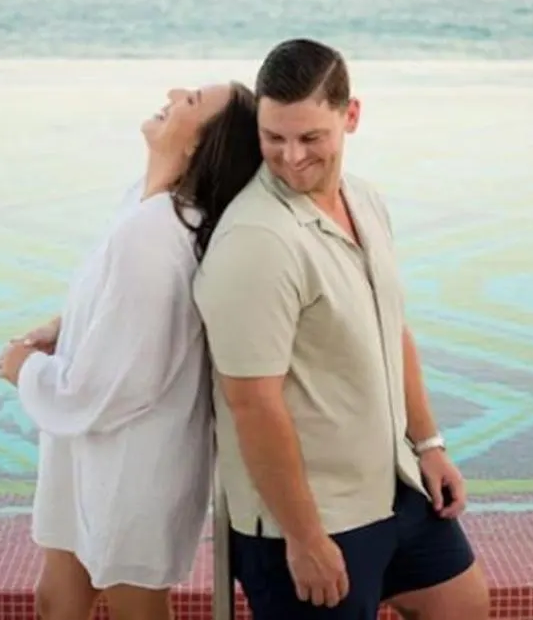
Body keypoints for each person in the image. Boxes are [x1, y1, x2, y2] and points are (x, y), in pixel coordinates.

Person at [194, 41, 490, 620]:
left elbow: (392, 328)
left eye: (310, 137)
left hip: (394, 487)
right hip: (310, 517)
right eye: (273, 137)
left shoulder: (366, 201)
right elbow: (252, 404)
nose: (290, 157)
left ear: (351, 115)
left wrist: (428, 446)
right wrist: (305, 538)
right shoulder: (258, 241)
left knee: (463, 605)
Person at [0, 80, 263, 620]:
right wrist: (65, 326)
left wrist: (25, 371)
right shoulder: (144, 205)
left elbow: (118, 383)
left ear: (200, 144)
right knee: (57, 600)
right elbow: (128, 309)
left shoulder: (154, 232)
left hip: (132, 463)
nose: (174, 92)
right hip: (92, 451)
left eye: (192, 101)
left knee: (135, 609)